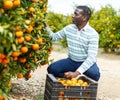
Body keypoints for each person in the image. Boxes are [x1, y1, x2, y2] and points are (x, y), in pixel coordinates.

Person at [46, 5, 100, 81]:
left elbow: (91, 58)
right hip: (71, 61)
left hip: (84, 61)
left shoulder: (93, 34)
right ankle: (72, 79)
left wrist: (76, 73)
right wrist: (45, 25)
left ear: (84, 18)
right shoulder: (69, 28)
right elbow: (53, 37)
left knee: (95, 75)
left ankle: (77, 77)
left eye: (76, 14)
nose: (73, 16)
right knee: (52, 69)